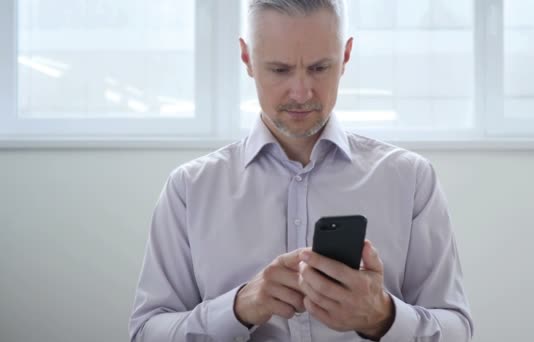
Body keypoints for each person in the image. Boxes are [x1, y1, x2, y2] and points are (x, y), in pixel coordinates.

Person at [128, 0, 474, 341]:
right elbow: (145, 333)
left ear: (346, 57)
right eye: (280, 70)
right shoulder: (190, 189)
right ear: (247, 58)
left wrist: (382, 316)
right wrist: (237, 309)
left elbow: (457, 330)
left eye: (319, 68)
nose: (301, 92)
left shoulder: (411, 180)